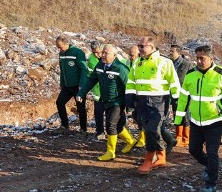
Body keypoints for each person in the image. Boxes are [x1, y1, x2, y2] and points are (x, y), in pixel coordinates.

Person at [175, 45, 222, 192]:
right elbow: (183, 98)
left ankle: (211, 184)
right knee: (193, 150)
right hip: (196, 121)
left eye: (202, 58)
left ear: (211, 59)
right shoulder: (190, 75)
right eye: (197, 58)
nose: (199, 61)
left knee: (212, 152)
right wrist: (178, 118)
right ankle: (209, 166)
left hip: (215, 122)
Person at [126, 36, 180, 175]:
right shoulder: (137, 62)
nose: (139, 49)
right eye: (139, 46)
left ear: (151, 47)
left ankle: (149, 159)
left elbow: (174, 82)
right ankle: (161, 157)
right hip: (142, 102)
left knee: (151, 130)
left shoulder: (164, 62)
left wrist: (177, 99)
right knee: (151, 130)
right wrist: (129, 98)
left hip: (159, 102)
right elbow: (131, 82)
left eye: (142, 46)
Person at [76, 44, 135, 160]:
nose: (102, 55)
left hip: (117, 102)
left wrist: (130, 106)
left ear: (114, 55)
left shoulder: (121, 69)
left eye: (105, 53)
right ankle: (131, 141)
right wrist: (81, 93)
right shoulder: (100, 66)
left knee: (110, 125)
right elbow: (91, 80)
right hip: (106, 101)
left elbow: (130, 88)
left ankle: (110, 152)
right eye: (102, 52)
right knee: (118, 126)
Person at [54, 35, 88, 134]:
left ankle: (83, 129)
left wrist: (82, 85)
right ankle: (64, 125)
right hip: (67, 86)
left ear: (66, 44)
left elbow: (83, 69)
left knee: (80, 106)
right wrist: (62, 83)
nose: (59, 49)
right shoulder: (61, 53)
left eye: (60, 46)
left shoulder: (77, 53)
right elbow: (62, 70)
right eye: (57, 47)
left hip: (78, 86)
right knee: (59, 102)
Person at [170, 44, 194, 146]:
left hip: (185, 94)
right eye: (170, 51)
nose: (170, 53)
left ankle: (186, 138)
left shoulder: (187, 64)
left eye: (172, 51)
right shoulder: (170, 64)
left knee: (185, 116)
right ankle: (178, 137)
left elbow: (192, 79)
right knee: (177, 115)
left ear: (178, 52)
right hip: (174, 94)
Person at [86, 41, 106, 141]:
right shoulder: (92, 60)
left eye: (99, 52)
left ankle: (121, 130)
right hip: (98, 91)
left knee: (115, 113)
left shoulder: (110, 57)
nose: (97, 54)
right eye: (94, 52)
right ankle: (100, 131)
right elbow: (90, 76)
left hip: (109, 91)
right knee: (98, 111)